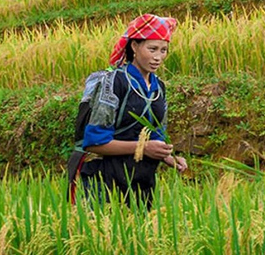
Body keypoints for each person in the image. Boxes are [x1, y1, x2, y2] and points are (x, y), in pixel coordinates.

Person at [76, 14, 187, 207]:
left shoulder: (158, 87)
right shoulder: (113, 83)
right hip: (105, 179)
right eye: (152, 49)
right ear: (134, 47)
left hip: (141, 180)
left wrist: (169, 157)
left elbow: (156, 135)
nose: (158, 57)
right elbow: (94, 143)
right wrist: (142, 148)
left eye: (163, 50)